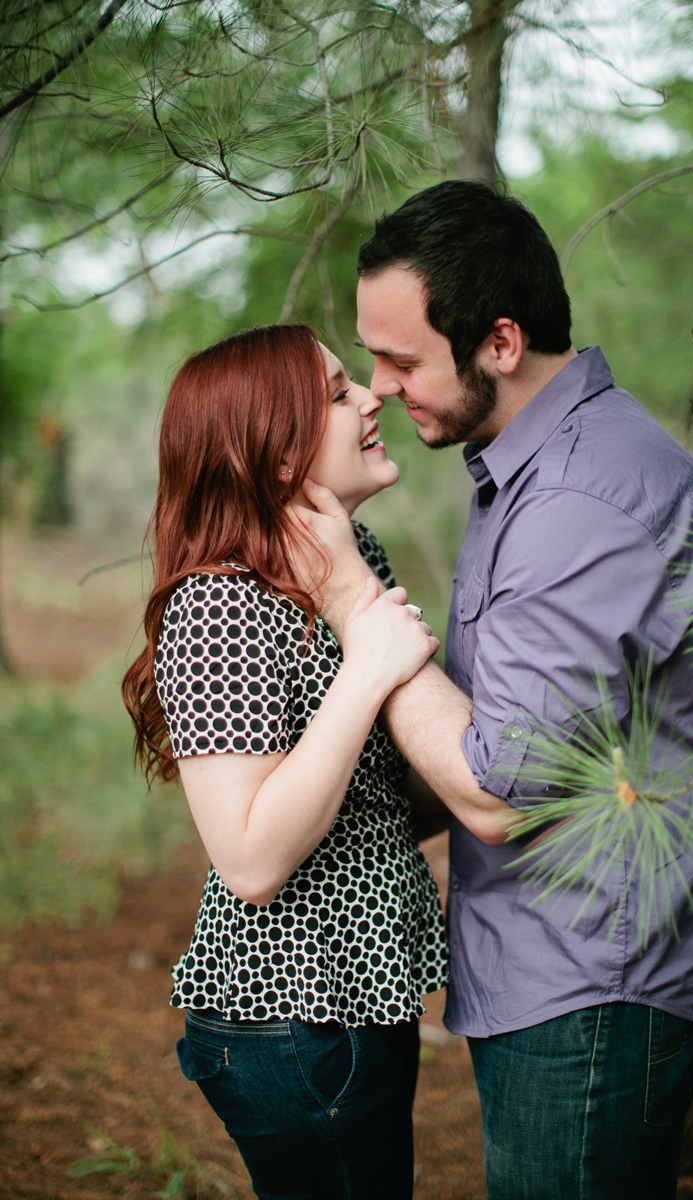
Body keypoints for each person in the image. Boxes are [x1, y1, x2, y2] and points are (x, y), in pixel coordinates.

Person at [291, 180, 693, 1200]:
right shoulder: (531, 466)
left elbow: (498, 795)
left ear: (499, 341)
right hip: (553, 969)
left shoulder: (580, 499)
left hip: (589, 985)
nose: (380, 387)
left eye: (401, 358)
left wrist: (353, 601)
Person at [121, 323, 448, 1200]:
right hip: (288, 1014)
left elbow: (377, 799)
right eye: (339, 394)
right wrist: (373, 663)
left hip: (361, 995)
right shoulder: (218, 603)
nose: (371, 397)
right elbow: (252, 859)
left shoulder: (347, 561)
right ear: (272, 456)